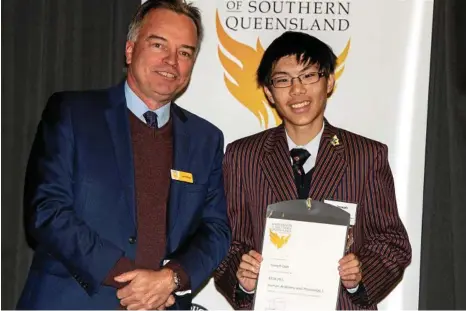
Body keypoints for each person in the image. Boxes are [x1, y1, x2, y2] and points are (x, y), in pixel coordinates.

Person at [17, 0, 230, 309]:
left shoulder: (206, 139)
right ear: (130, 50)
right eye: (159, 45)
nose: (171, 62)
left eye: (185, 52)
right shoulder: (73, 114)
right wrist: (130, 278)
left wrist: (170, 279)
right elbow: (47, 210)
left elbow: (216, 230)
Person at [214, 31, 411, 310]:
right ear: (269, 92)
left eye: (308, 76)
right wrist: (241, 276)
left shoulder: (366, 156)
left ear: (329, 81)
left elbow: (391, 242)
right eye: (283, 80)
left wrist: (359, 274)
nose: (297, 91)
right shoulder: (242, 156)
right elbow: (226, 241)